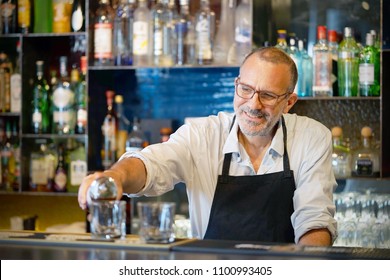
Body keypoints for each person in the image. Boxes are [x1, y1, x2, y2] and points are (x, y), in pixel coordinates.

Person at [78, 47, 337, 246]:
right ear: (236, 85)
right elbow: (152, 164)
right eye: (245, 89)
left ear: (289, 102)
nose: (253, 104)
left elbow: (314, 221)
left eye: (267, 95)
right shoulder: (202, 135)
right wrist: (115, 176)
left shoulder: (311, 138)